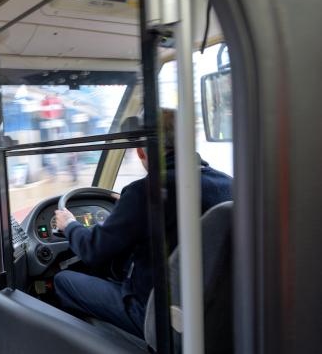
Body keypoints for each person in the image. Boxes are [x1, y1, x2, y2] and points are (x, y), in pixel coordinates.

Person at [53, 110, 233, 338]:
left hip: (156, 315)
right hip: (210, 312)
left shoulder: (145, 193)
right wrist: (128, 207)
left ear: (140, 152)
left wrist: (69, 224)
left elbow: (92, 250)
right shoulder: (228, 184)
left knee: (63, 281)